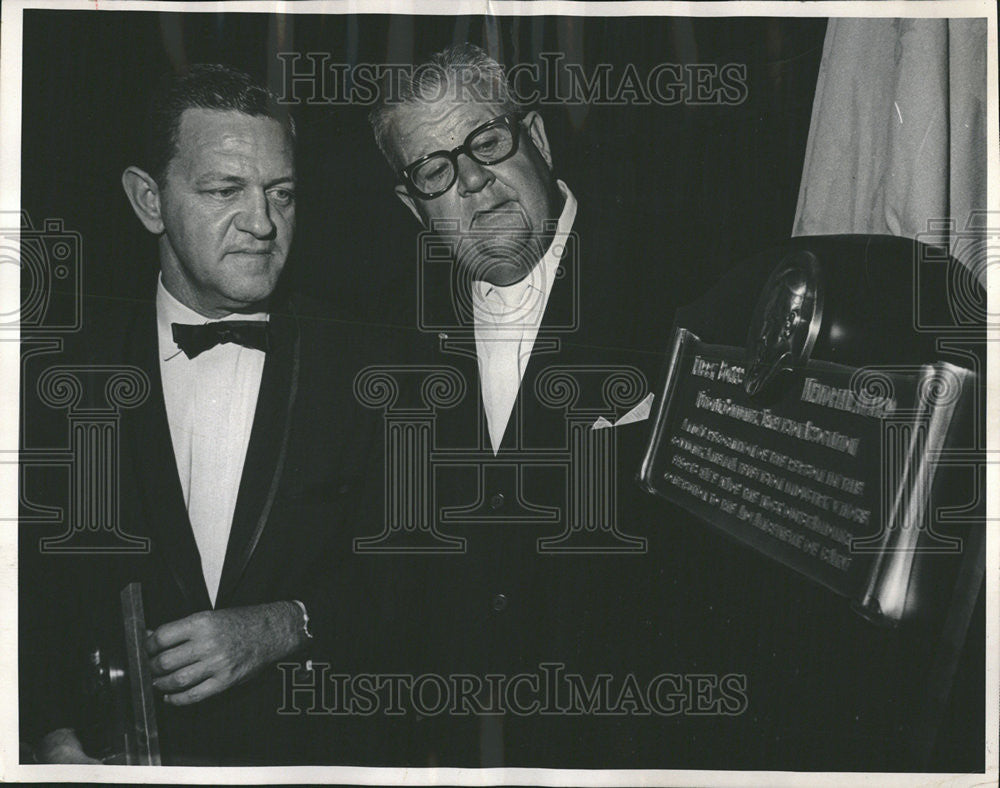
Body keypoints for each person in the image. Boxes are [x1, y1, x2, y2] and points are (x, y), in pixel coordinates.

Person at [21, 63, 384, 765]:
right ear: (148, 201)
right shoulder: (55, 377)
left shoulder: (367, 364)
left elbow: (421, 588)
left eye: (281, 193)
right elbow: (29, 596)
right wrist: (50, 738)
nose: (262, 223)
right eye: (225, 190)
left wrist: (287, 623)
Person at [365, 43, 699, 767]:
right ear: (412, 204)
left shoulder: (683, 278)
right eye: (434, 169)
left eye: (486, 139)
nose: (476, 180)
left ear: (537, 138)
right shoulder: (389, 331)